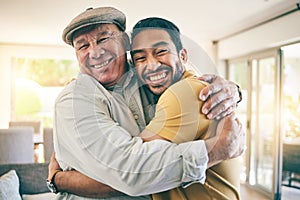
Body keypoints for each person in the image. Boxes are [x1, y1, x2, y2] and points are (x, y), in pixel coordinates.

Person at [49, 7, 245, 199]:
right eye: (83, 46)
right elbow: (131, 174)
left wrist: (232, 90)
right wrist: (215, 152)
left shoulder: (146, 76)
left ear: (124, 41)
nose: (95, 52)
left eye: (103, 39)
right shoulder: (74, 100)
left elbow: (182, 71)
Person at [130, 17, 241, 200]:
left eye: (161, 52)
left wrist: (64, 179)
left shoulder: (185, 94)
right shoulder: (164, 93)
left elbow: (131, 170)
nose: (151, 64)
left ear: (183, 56)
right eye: (140, 58)